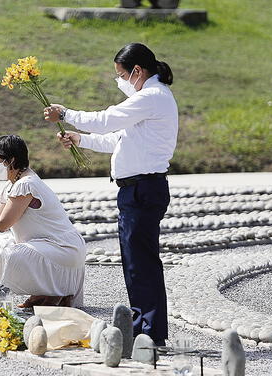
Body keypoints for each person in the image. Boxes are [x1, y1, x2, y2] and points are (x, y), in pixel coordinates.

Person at [43, 43, 177, 345]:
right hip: (137, 188)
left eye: (121, 75)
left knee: (141, 264)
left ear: (138, 72)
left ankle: (150, 332)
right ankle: (145, 327)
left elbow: (107, 120)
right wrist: (81, 139)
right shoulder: (150, 99)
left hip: (143, 188)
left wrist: (66, 112)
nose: (120, 81)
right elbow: (117, 139)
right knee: (136, 263)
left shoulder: (151, 97)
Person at [0, 135, 87, 307]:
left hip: (62, 248)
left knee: (13, 255)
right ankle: (44, 294)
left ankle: (54, 294)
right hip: (48, 246)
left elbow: (2, 224)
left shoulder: (26, 184)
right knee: (0, 244)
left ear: (11, 159)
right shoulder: (13, 184)